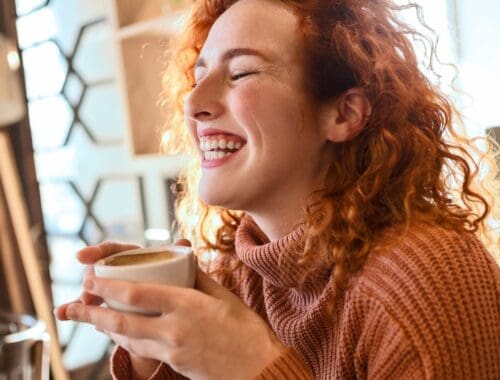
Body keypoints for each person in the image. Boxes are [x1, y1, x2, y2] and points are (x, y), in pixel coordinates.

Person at [55, 0, 500, 379]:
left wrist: (254, 364)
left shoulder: (428, 277)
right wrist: (151, 349)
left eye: (242, 73)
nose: (193, 103)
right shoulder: (234, 273)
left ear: (344, 114)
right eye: (198, 75)